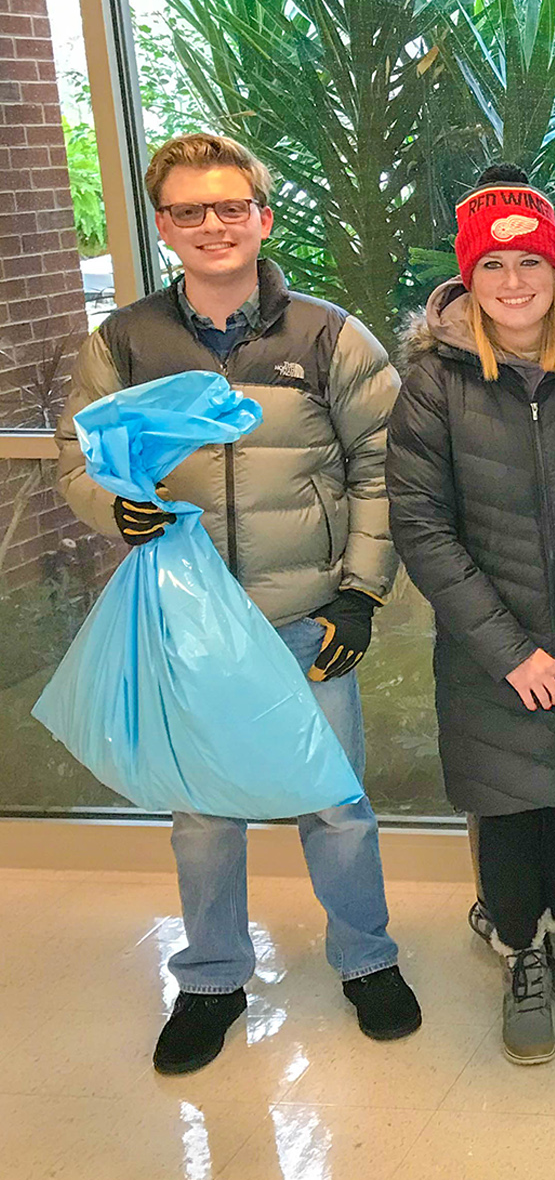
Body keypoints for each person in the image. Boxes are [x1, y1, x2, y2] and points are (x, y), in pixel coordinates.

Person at [55, 132, 420, 1074]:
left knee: (335, 802)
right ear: (164, 225)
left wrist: (362, 594)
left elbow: (385, 465)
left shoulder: (328, 336)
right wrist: (110, 507)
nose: (211, 226)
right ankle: (213, 978)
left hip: (305, 614)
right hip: (187, 622)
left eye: (230, 207)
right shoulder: (124, 341)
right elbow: (78, 463)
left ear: (262, 216)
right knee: (201, 811)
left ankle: (366, 959)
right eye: (187, 210)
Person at [388, 165, 555, 1064]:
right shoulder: (434, 382)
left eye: (530, 260)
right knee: (507, 810)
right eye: (492, 265)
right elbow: (421, 526)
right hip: (490, 653)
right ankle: (522, 955)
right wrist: (508, 652)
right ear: (469, 277)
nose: (514, 281)